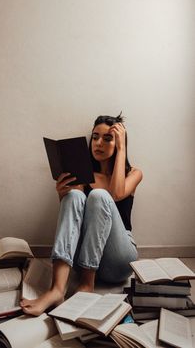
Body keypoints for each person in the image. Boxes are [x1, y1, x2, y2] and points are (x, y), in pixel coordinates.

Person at [20, 114, 143, 316]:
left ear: (120, 142)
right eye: (95, 137)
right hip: (83, 259)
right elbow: (73, 221)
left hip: (118, 261)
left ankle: (87, 285)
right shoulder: (83, 174)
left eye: (107, 138)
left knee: (99, 196)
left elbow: (116, 194)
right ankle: (57, 289)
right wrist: (62, 195)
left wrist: (121, 150)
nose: (98, 143)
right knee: (75, 195)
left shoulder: (134, 173)